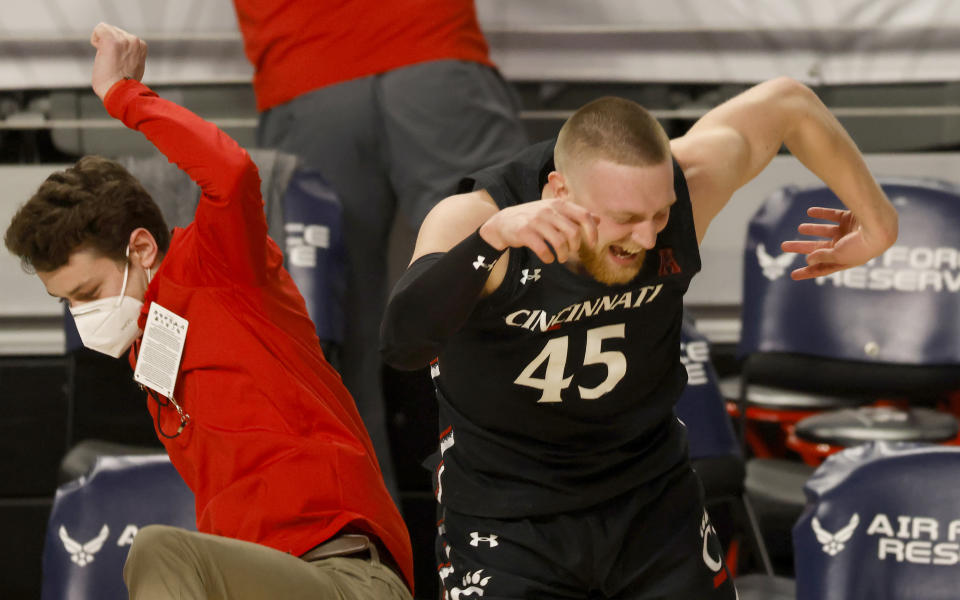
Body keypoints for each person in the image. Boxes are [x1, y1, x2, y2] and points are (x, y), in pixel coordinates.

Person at [381, 78, 899, 598]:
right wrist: (487, 244)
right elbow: (402, 344)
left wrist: (880, 222)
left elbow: (788, 103)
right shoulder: (478, 221)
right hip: (508, 514)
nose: (648, 237)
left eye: (660, 213)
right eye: (627, 220)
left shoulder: (690, 185)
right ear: (560, 192)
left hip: (648, 494)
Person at [5, 24, 413, 599]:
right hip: (253, 580)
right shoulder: (150, 351)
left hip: (341, 573)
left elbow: (231, 175)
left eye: (88, 292)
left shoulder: (219, 266)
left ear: (142, 250)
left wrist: (123, 95)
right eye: (66, 302)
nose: (81, 316)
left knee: (156, 549)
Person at [230, 0, 529, 495]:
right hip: (434, 53)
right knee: (521, 300)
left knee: (325, 349)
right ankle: (538, 539)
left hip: (306, 73)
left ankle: (360, 562)